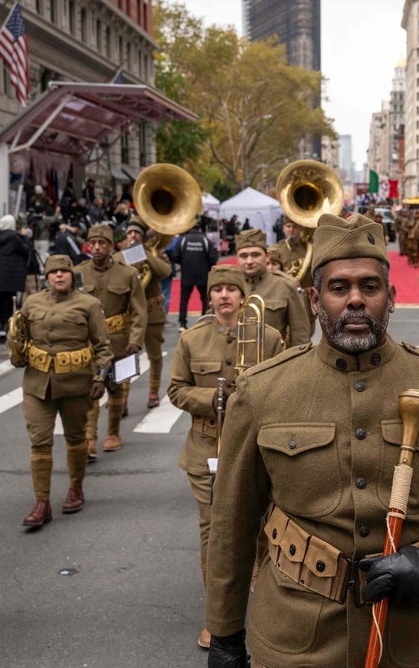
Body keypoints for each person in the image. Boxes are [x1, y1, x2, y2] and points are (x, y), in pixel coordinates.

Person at [204, 213, 419, 668]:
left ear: (391, 297)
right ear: (315, 299)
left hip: (417, 638)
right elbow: (232, 523)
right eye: (339, 288)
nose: (355, 300)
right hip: (297, 639)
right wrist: (225, 635)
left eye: (370, 287)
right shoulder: (262, 393)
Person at [167, 265, 283, 650]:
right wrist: (213, 399)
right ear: (210, 296)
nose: (224, 296)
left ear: (242, 295)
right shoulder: (191, 338)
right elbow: (176, 390)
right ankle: (217, 619)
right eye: (217, 290)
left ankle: (265, 601)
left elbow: (284, 390)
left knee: (266, 527)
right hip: (207, 448)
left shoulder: (269, 337)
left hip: (258, 448)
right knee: (214, 533)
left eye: (232, 289)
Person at [11, 255, 112, 528]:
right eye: (53, 272)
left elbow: (102, 346)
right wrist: (15, 352)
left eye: (64, 272)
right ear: (47, 276)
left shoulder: (89, 305)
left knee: (76, 438)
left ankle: (75, 488)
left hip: (76, 384)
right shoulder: (32, 303)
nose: (59, 276)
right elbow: (21, 337)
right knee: (40, 441)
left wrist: (101, 377)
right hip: (37, 384)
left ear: (72, 275)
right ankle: (42, 502)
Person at [76, 224, 147, 458]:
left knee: (116, 389)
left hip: (119, 340)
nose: (97, 248)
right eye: (93, 243)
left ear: (110, 245)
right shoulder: (78, 273)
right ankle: (89, 439)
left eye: (102, 243)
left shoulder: (127, 274)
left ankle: (114, 433)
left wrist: (135, 340)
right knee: (90, 390)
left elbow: (139, 310)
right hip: (88, 342)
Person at [115, 217, 171, 409]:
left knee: (155, 355)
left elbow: (165, 271)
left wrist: (145, 255)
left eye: (136, 232)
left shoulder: (154, 253)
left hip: (152, 312)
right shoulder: (118, 257)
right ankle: (122, 397)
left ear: (142, 235)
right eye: (130, 232)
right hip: (129, 315)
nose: (132, 235)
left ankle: (154, 392)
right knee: (126, 356)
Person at [234, 229, 310, 347]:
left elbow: (300, 334)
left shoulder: (286, 285)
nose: (249, 261)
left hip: (273, 361)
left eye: (255, 255)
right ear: (237, 258)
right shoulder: (229, 285)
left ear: (267, 256)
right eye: (243, 256)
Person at [171, 220, 217, 331]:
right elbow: (213, 258)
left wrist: (184, 263)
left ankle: (182, 324)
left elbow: (174, 255)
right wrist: (207, 268)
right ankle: (204, 321)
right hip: (202, 275)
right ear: (199, 229)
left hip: (187, 275)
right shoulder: (205, 240)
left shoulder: (183, 240)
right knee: (205, 299)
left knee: (184, 299)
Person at [0, 215, 33, 333]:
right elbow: (26, 249)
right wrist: (25, 237)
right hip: (12, 274)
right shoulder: (15, 238)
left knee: (1, 300)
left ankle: (1, 324)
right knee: (11, 301)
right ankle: (9, 325)